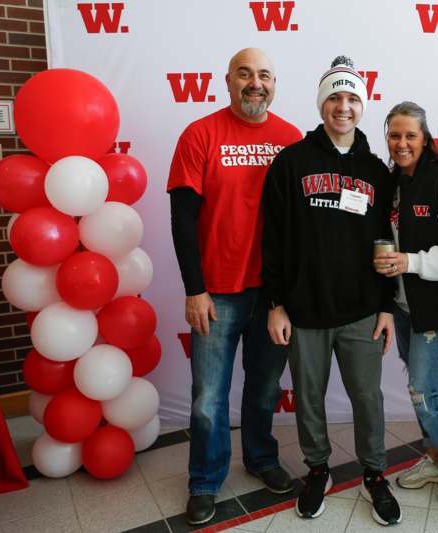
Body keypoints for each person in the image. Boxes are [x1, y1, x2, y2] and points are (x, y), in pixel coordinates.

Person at [261, 55, 402, 526]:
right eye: (335, 98)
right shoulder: (291, 162)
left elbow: (387, 242)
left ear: (362, 106)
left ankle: (374, 473)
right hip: (304, 309)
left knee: (368, 398)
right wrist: (276, 303)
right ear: (323, 104)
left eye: (352, 99)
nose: (343, 107)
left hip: (362, 309)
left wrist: (386, 306)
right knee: (310, 396)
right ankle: (317, 469)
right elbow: (274, 237)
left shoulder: (377, 171)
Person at [167, 48, 303, 526]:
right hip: (216, 293)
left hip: (271, 297)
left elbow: (297, 226)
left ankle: (262, 458)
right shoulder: (200, 134)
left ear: (274, 83)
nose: (255, 83)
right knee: (208, 396)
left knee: (265, 388)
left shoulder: (290, 139)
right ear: (227, 81)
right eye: (245, 74)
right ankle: (205, 480)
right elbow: (182, 218)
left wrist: (285, 297)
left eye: (264, 74)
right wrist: (194, 289)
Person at [373, 101, 438, 503]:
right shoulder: (394, 181)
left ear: (425, 139)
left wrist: (409, 261)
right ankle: (436, 456)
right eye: (394, 135)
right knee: (421, 388)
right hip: (404, 305)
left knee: (428, 389)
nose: (401, 143)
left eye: (410, 136)